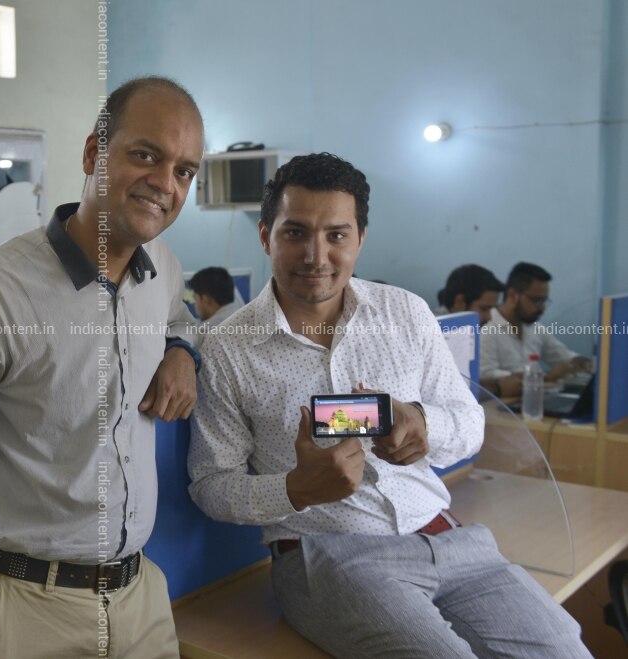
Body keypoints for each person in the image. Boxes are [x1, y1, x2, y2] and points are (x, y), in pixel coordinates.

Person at [187, 153, 590, 658]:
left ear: (360, 239)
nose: (316, 255)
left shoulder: (406, 313)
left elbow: (470, 423)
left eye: (336, 235)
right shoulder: (228, 349)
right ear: (266, 235)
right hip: (329, 552)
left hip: (449, 538)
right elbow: (211, 484)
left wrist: (424, 423)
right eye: (295, 233)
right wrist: (294, 489)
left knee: (565, 649)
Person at [0, 76, 205, 659]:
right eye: (146, 155)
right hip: (26, 607)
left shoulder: (161, 267)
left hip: (140, 599)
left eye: (185, 170)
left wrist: (181, 353)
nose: (166, 183)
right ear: (94, 153)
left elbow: (181, 320)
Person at [480, 262, 592, 398]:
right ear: (512, 295)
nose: (542, 308)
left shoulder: (534, 327)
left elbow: (562, 356)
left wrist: (585, 364)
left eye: (544, 301)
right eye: (536, 300)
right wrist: (545, 377)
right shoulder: (487, 328)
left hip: (531, 399)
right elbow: (486, 376)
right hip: (501, 405)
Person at [435, 263, 504, 325]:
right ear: (460, 302)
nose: (489, 317)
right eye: (484, 309)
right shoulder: (433, 329)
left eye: (492, 309)